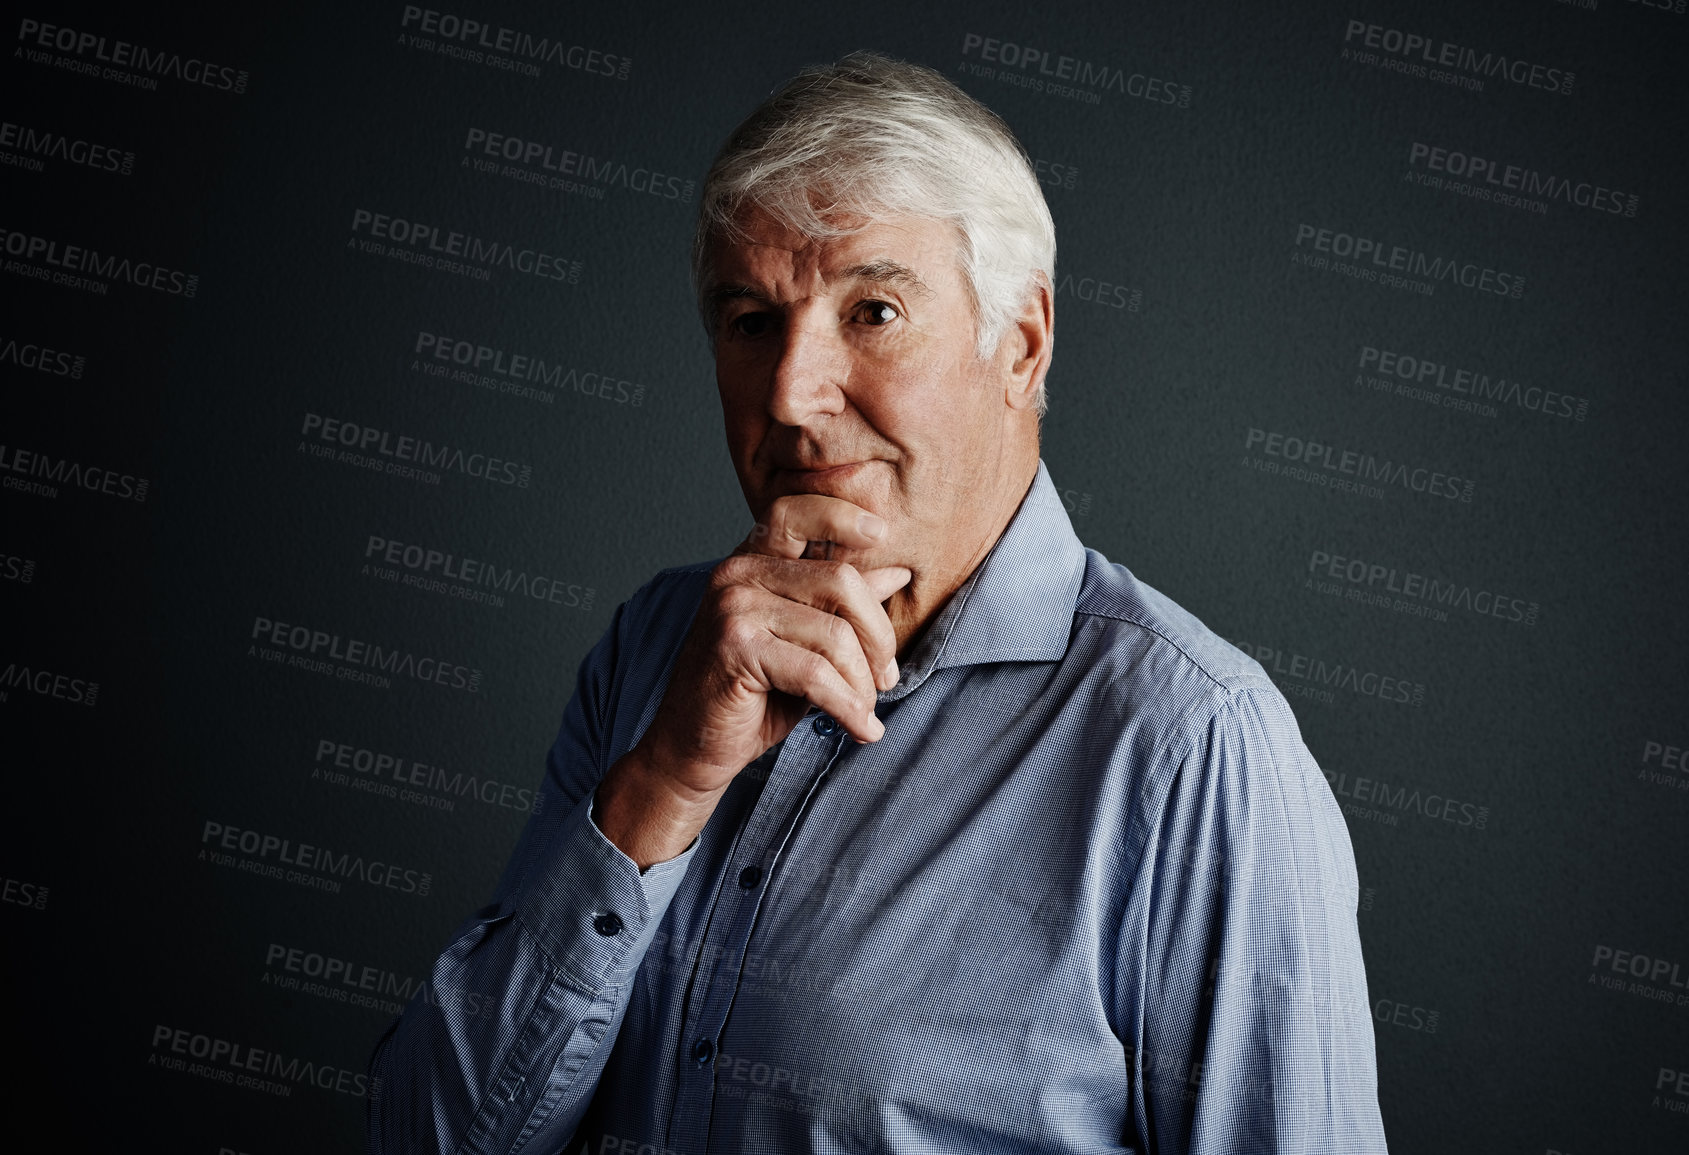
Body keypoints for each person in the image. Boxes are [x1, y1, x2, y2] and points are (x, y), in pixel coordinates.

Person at [368, 50, 1388, 1155]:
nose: (794, 397)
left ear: (1023, 344)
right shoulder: (653, 652)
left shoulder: (1196, 752)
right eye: (751, 319)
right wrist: (665, 784)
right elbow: (427, 1138)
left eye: (875, 309)